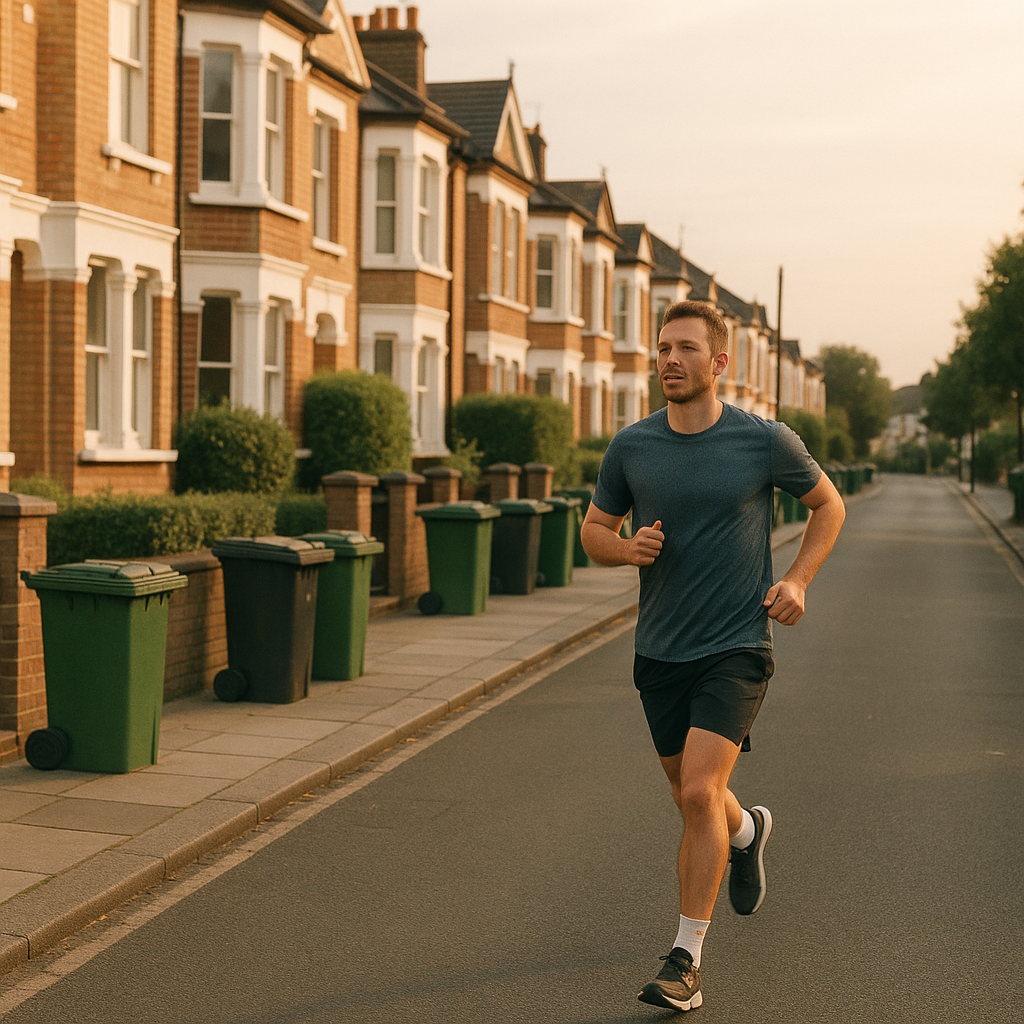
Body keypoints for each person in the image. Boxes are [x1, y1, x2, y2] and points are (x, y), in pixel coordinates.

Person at [580, 300, 845, 1012]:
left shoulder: (763, 441)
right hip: (659, 651)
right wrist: (623, 548)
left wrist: (794, 578)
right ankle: (750, 828)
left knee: (698, 792)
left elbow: (830, 507)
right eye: (663, 347)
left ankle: (685, 962)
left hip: (737, 646)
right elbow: (594, 531)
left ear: (719, 362)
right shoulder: (632, 447)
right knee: (690, 795)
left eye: (687, 349)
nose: (670, 359)